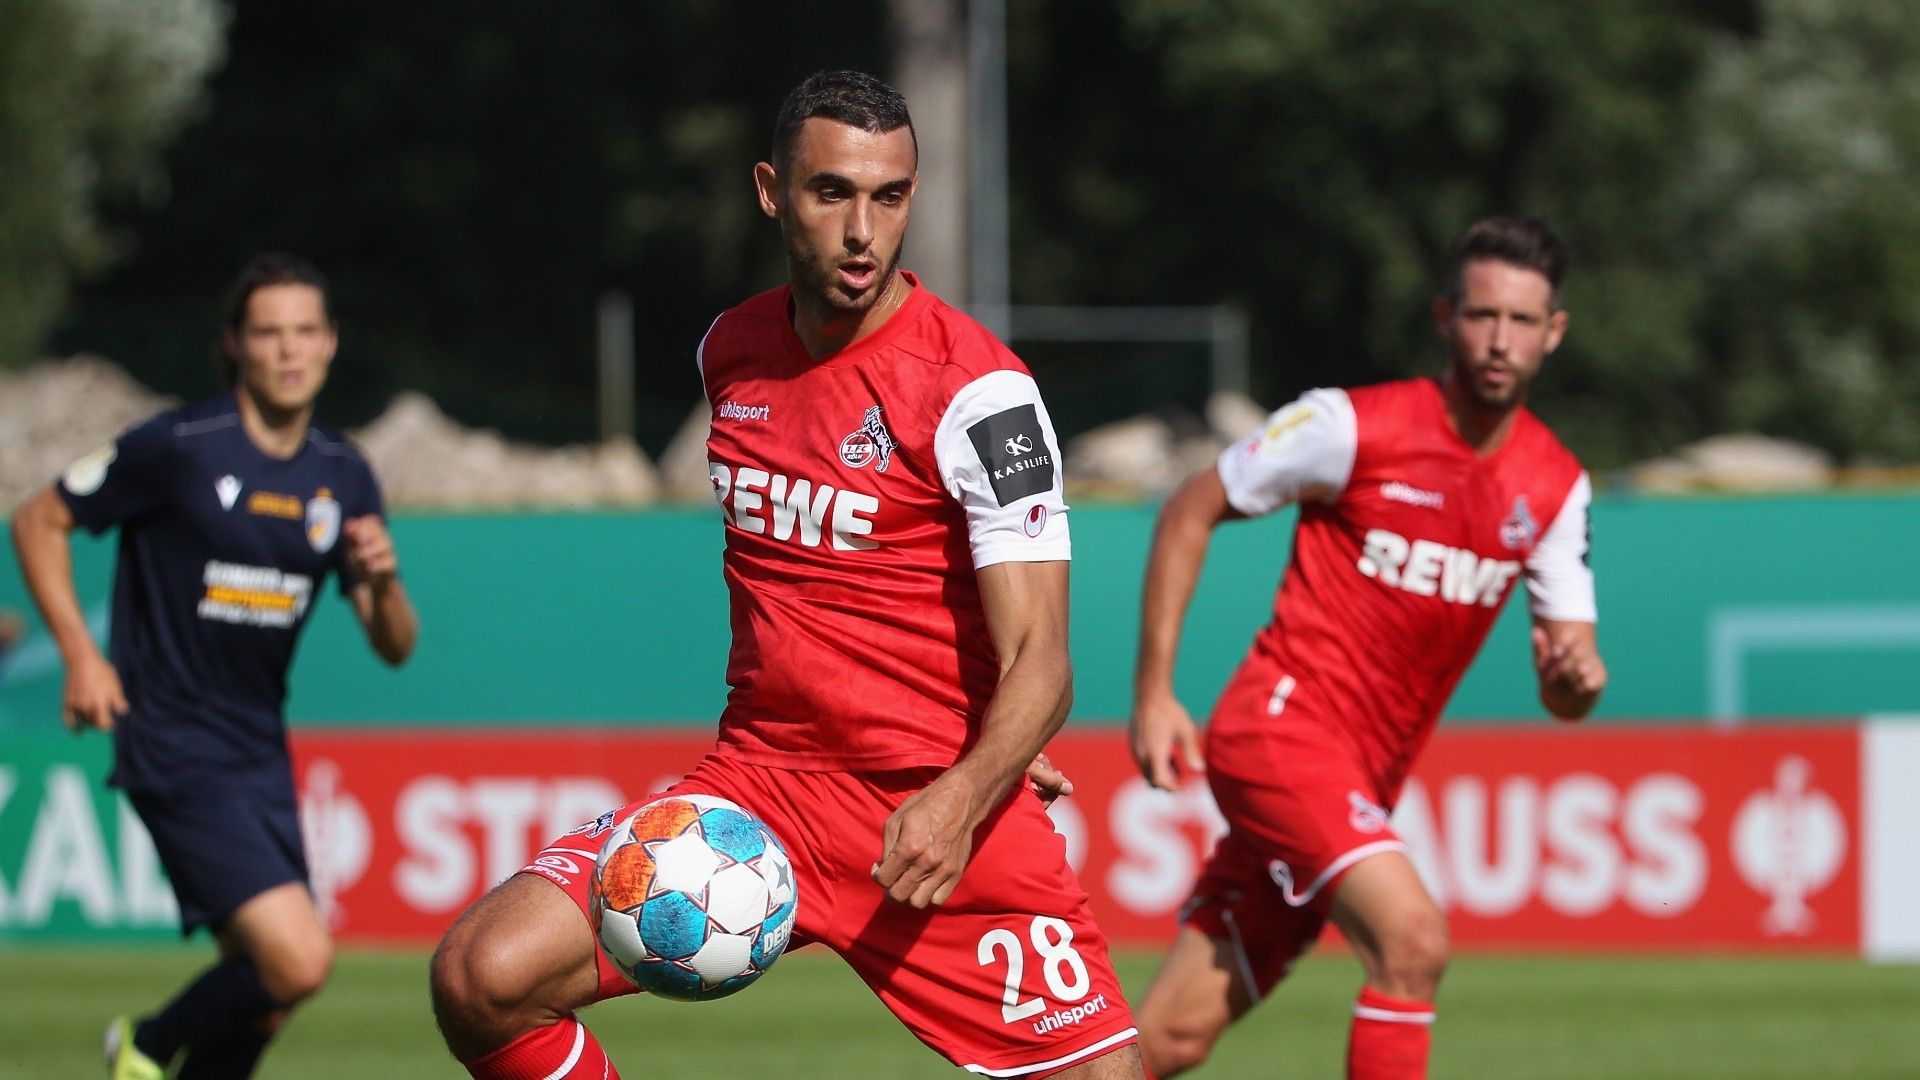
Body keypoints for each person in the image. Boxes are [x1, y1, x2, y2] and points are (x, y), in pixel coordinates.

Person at [428, 70, 1142, 1080]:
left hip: (935, 815)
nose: (864, 230)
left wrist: (974, 779)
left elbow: (1045, 659)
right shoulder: (732, 353)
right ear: (771, 191)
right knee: (480, 976)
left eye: (890, 197)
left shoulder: (982, 396)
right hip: (758, 793)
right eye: (832, 192)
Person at [1127, 217, 1608, 1079]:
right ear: (1444, 317)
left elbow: (1569, 690)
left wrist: (1576, 678)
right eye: (1481, 315)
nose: (1500, 341)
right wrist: (1155, 691)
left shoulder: (1555, 486)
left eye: (1522, 322)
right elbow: (1189, 507)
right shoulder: (1350, 427)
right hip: (1277, 731)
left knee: (1168, 1042)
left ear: (1554, 333)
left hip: (1359, 785)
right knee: (1413, 940)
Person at [10, 253, 418, 1080]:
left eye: (305, 331)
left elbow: (394, 645)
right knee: (300, 959)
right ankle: (146, 1045)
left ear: (331, 344)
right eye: (268, 332)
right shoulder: (179, 447)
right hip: (169, 735)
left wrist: (383, 579)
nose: (288, 350)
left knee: (267, 992)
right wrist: (84, 658)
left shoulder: (343, 475)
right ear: (236, 344)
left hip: (257, 748)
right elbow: (38, 520)